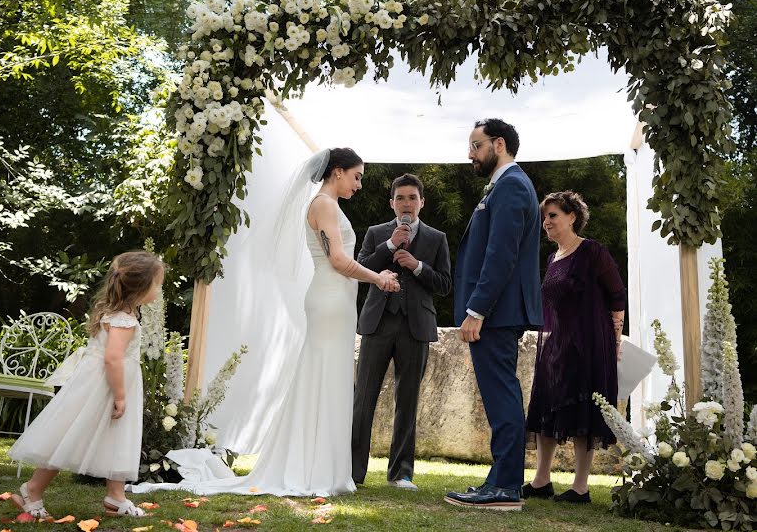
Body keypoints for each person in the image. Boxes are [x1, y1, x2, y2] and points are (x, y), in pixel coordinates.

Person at [142, 148, 399, 497]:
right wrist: (379, 278)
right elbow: (338, 260)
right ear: (337, 172)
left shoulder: (329, 205)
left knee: (330, 378)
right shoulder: (323, 204)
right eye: (357, 176)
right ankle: (313, 468)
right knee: (322, 376)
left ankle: (322, 466)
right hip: (329, 299)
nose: (359, 184)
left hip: (336, 301)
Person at [6, 251, 165, 518]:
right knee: (69, 438)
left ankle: (116, 496)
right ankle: (32, 490)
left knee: (113, 436)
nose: (159, 290)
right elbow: (113, 358)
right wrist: (121, 396)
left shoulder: (119, 312)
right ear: (141, 286)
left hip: (100, 385)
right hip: (106, 388)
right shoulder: (124, 320)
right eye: (157, 284)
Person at [444, 118, 543, 512]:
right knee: (500, 394)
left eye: (475, 145)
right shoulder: (505, 185)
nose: (470, 154)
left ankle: (504, 488)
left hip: (497, 313)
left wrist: (476, 310)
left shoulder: (513, 185)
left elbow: (501, 255)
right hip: (497, 312)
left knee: (502, 395)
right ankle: (501, 481)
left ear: (498, 144)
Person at [524, 191, 626, 503]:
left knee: (584, 412)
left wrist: (615, 339)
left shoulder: (592, 251)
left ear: (572, 217)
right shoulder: (552, 258)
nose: (547, 222)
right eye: (545, 217)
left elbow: (617, 294)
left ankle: (580, 487)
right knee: (545, 408)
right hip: (557, 346)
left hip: (590, 345)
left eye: (553, 215)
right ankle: (542, 480)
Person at [351, 173, 451, 491]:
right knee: (363, 398)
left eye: (412, 197)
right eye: (400, 198)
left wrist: (418, 266)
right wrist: (391, 245)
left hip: (415, 327)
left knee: (407, 401)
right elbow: (361, 267)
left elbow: (446, 285)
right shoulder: (376, 232)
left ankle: (401, 473)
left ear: (422, 201)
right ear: (391, 203)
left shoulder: (436, 238)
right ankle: (353, 472)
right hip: (377, 323)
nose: (406, 203)